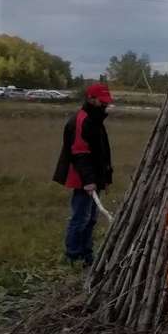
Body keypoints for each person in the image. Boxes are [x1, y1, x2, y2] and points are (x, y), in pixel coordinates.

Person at [53, 82, 115, 268]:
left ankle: (87, 254)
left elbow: (101, 151)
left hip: (93, 177)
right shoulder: (81, 120)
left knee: (91, 219)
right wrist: (88, 181)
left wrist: (105, 177)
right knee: (80, 218)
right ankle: (73, 255)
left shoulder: (95, 119)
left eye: (106, 101)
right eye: (101, 101)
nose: (105, 104)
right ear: (91, 99)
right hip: (82, 177)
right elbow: (80, 153)